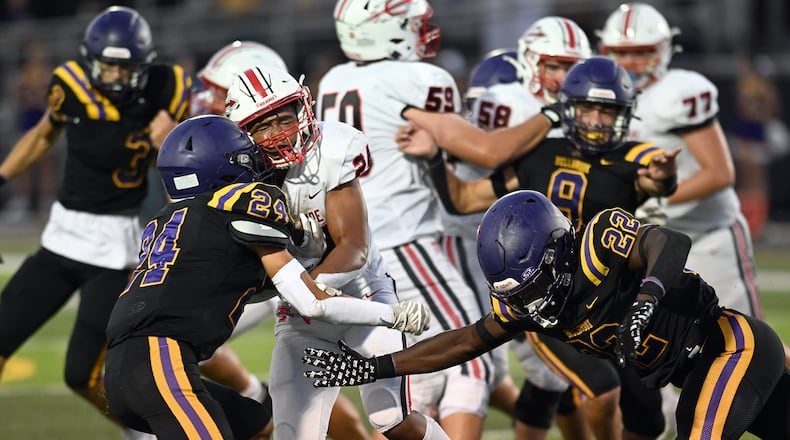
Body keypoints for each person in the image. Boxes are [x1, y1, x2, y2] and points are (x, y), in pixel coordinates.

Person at [303, 189, 790, 440]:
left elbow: (668, 241)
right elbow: (464, 342)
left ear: (557, 251)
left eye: (536, 284)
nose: (531, 303)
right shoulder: (526, 302)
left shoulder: (596, 243)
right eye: (520, 292)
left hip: (729, 347)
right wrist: (377, 367)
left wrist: (645, 301)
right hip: (693, 376)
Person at [104, 114, 432, 438]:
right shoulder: (242, 202)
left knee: (255, 424)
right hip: (161, 360)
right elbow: (313, 302)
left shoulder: (167, 220)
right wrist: (392, 315)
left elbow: (233, 279)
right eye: (245, 158)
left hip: (121, 368)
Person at [407, 56, 680, 440]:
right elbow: (464, 200)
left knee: (647, 419)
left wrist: (664, 177)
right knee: (603, 392)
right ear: (569, 108)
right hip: (549, 301)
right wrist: (435, 158)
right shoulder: (539, 154)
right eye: (589, 108)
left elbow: (657, 178)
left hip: (614, 299)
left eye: (608, 111)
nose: (598, 121)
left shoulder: (632, 158)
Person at [225, 64, 447, 440]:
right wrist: (299, 296)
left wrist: (307, 289)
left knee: (392, 420)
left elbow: (355, 247)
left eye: (285, 116)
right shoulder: (239, 179)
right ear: (244, 135)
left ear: (303, 107)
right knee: (293, 432)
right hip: (299, 313)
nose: (281, 132)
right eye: (264, 125)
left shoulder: (331, 150)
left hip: (362, 294)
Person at [0, 6, 190, 438]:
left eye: (125, 68)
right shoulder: (69, 84)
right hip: (62, 236)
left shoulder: (169, 88)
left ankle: (144, 433)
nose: (116, 78)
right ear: (90, 62)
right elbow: (46, 132)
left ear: (144, 64)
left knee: (83, 376)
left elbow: (198, 165)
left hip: (117, 244)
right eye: (107, 66)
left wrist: (174, 138)